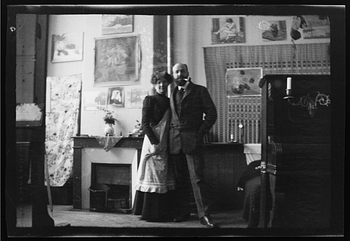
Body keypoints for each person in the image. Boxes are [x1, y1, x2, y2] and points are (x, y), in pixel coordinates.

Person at [169, 63, 218, 228]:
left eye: (182, 70)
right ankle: (183, 212)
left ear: (188, 72)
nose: (179, 74)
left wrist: (200, 132)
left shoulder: (199, 90)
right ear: (173, 75)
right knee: (180, 180)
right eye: (176, 71)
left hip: (193, 139)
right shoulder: (172, 92)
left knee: (197, 179)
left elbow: (212, 114)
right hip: (175, 142)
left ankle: (205, 215)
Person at [133, 70, 176, 222]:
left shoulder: (170, 101)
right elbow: (145, 125)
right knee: (152, 175)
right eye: (158, 82)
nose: (162, 85)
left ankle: (163, 213)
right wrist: (155, 143)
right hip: (153, 141)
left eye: (164, 82)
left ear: (168, 84)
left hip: (165, 142)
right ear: (154, 84)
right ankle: (150, 213)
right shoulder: (149, 100)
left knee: (163, 176)